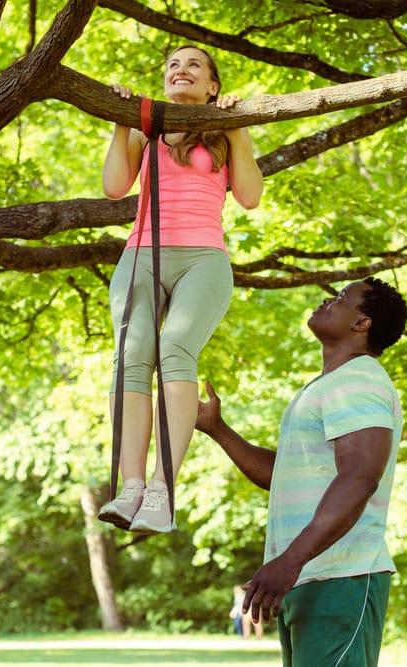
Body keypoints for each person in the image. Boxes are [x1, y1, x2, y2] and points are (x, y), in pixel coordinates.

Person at [196, 277, 407, 666]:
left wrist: (290, 560)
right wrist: (217, 429)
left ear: (362, 323)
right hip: (307, 575)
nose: (329, 298)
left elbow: (360, 478)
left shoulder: (359, 380)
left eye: (343, 298)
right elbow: (282, 474)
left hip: (340, 575)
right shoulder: (326, 386)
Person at [98, 45, 264, 534]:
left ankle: (161, 491)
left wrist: (237, 126)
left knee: (174, 348)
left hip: (203, 259)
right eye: (172, 64)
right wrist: (121, 121)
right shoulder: (148, 130)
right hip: (141, 254)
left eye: (194, 65)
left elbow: (251, 197)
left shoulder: (224, 132)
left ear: (213, 86)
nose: (180, 70)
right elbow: (113, 186)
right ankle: (130, 488)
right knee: (132, 354)